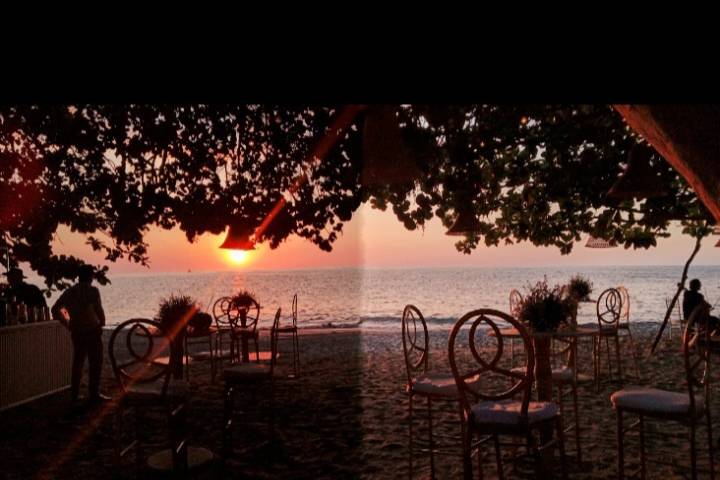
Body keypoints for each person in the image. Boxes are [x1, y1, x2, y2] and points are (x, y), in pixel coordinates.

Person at [52, 265, 111, 405]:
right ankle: (94, 394)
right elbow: (99, 310)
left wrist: (67, 323)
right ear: (90, 277)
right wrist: (102, 323)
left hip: (77, 331)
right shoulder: (93, 291)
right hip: (92, 330)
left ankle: (75, 395)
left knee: (78, 363)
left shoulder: (70, 292)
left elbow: (55, 309)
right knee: (95, 363)